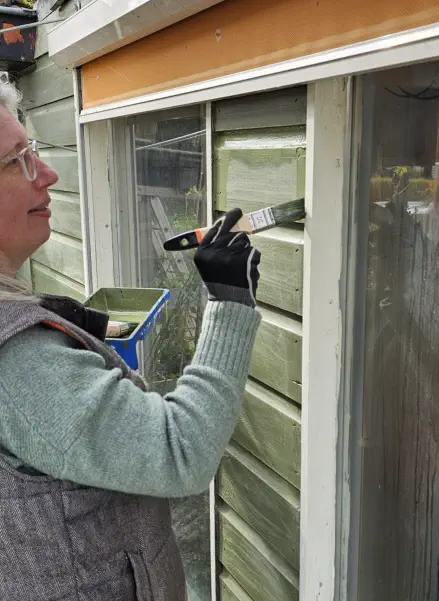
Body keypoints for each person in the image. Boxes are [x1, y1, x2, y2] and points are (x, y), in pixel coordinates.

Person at [0, 76, 262, 600]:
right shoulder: (18, 363)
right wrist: (231, 302)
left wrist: (82, 328)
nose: (47, 173)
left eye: (34, 151)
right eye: (16, 161)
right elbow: (180, 451)